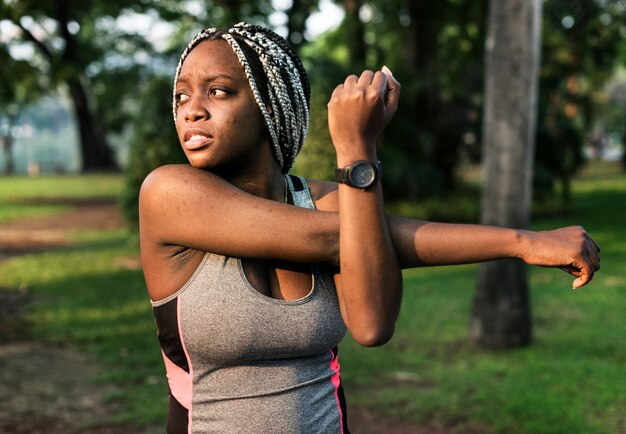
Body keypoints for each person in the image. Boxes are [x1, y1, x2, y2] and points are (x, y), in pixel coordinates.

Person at [139, 23, 600, 434]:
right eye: (181, 95)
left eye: (217, 91)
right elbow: (347, 238)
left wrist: (357, 165)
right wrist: (358, 149)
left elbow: (372, 324)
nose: (191, 110)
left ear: (269, 102)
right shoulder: (169, 194)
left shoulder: (329, 203)